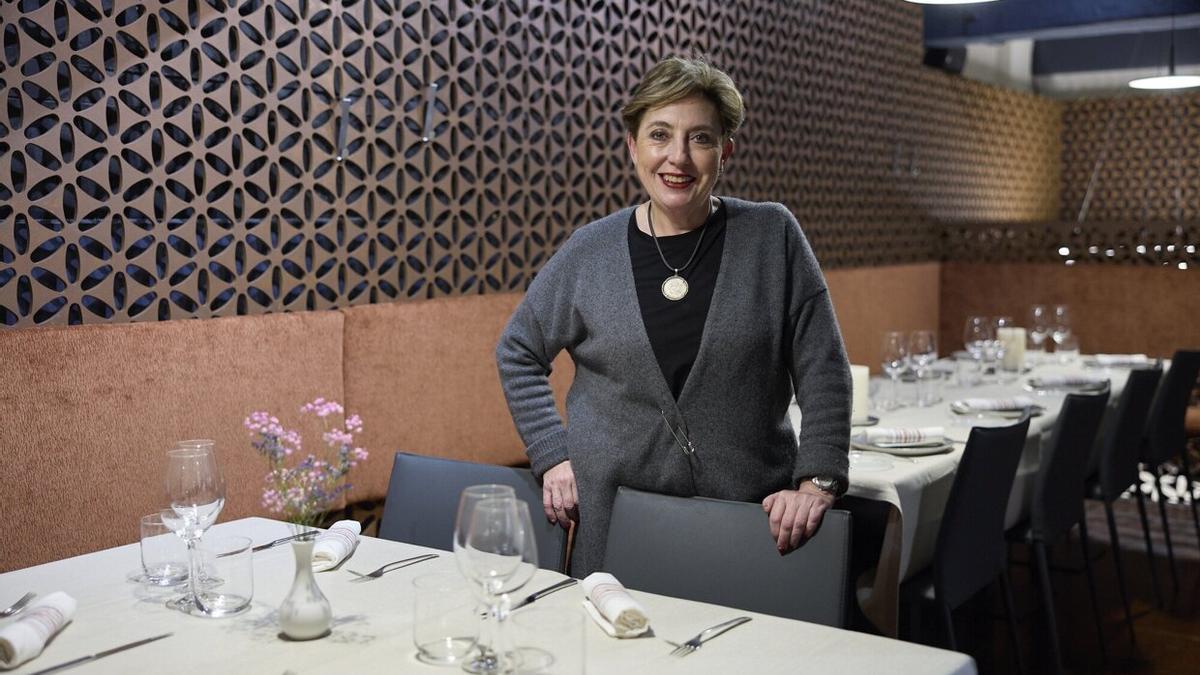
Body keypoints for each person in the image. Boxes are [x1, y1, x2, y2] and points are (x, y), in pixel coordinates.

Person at [496, 56, 851, 577]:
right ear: (633, 146)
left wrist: (817, 480)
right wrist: (552, 453)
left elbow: (823, 369)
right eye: (659, 135)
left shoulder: (772, 236)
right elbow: (517, 351)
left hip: (752, 528)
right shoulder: (589, 251)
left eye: (700, 138)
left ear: (725, 150)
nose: (677, 157)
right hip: (616, 532)